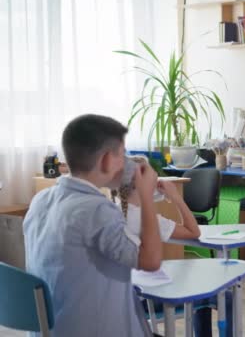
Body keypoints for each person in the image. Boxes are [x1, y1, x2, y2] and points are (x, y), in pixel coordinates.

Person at [23, 114, 161, 336]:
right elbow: (152, 261)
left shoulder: (41, 200)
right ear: (106, 160)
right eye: (122, 155)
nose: (126, 162)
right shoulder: (96, 210)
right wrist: (146, 195)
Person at [112, 155, 232, 337]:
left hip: (122, 299)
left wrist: (158, 193)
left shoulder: (115, 208)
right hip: (146, 299)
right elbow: (194, 232)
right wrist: (176, 197)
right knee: (225, 297)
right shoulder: (146, 218)